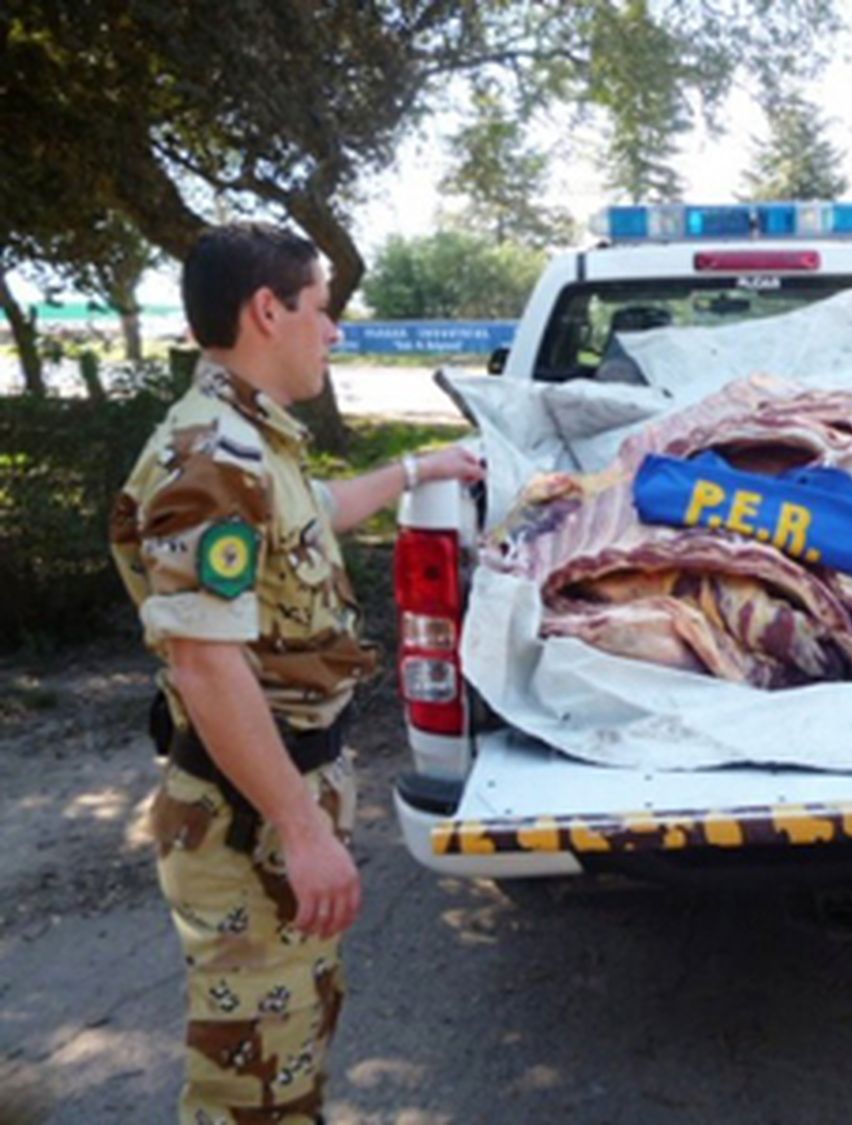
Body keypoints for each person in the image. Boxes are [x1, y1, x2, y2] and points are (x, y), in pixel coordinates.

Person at [109, 222, 484, 1122]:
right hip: (249, 821)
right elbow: (205, 662)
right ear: (267, 310)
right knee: (255, 1086)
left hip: (274, 801)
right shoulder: (210, 460)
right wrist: (300, 828)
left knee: (291, 1050)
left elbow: (313, 514)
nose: (335, 329)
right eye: (323, 308)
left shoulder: (248, 442)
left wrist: (414, 469)